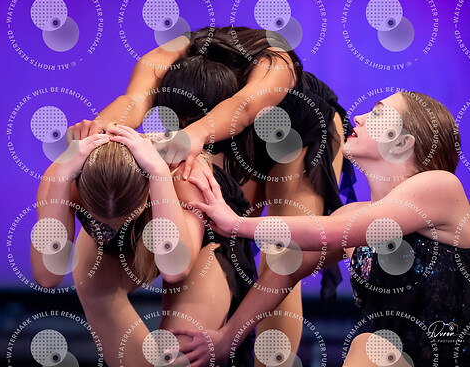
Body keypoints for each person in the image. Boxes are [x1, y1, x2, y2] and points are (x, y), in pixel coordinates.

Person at [68, 26, 355, 363]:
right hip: (217, 129)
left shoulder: (275, 64)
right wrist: (99, 132)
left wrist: (190, 137)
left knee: (283, 253)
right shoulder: (162, 60)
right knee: (222, 218)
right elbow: (132, 102)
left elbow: (243, 109)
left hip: (292, 127)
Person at [182, 91, 470, 366]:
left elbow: (332, 231)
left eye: (377, 114)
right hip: (394, 356)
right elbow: (284, 270)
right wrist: (228, 337)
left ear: (403, 143)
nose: (358, 117)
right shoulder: (354, 216)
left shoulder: (441, 187)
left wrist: (236, 223)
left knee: (370, 345)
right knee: (371, 344)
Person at [30, 57, 258, 366]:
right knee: (96, 288)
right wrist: (59, 178)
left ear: (144, 198)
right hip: (119, 249)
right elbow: (47, 276)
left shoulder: (182, 178)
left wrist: (159, 174)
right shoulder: (63, 181)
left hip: (197, 243)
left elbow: (175, 269)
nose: (113, 229)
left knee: (177, 357)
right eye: (102, 225)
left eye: (123, 221)